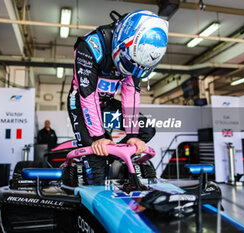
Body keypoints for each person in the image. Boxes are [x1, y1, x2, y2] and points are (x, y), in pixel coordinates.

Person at [67, 10, 168, 184]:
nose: (132, 70)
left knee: (146, 130)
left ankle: (114, 159)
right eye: (130, 64)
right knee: (97, 162)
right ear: (121, 44)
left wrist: (132, 135)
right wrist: (98, 138)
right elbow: (87, 95)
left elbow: (131, 94)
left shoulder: (138, 54)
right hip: (82, 102)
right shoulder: (91, 45)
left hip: (106, 102)